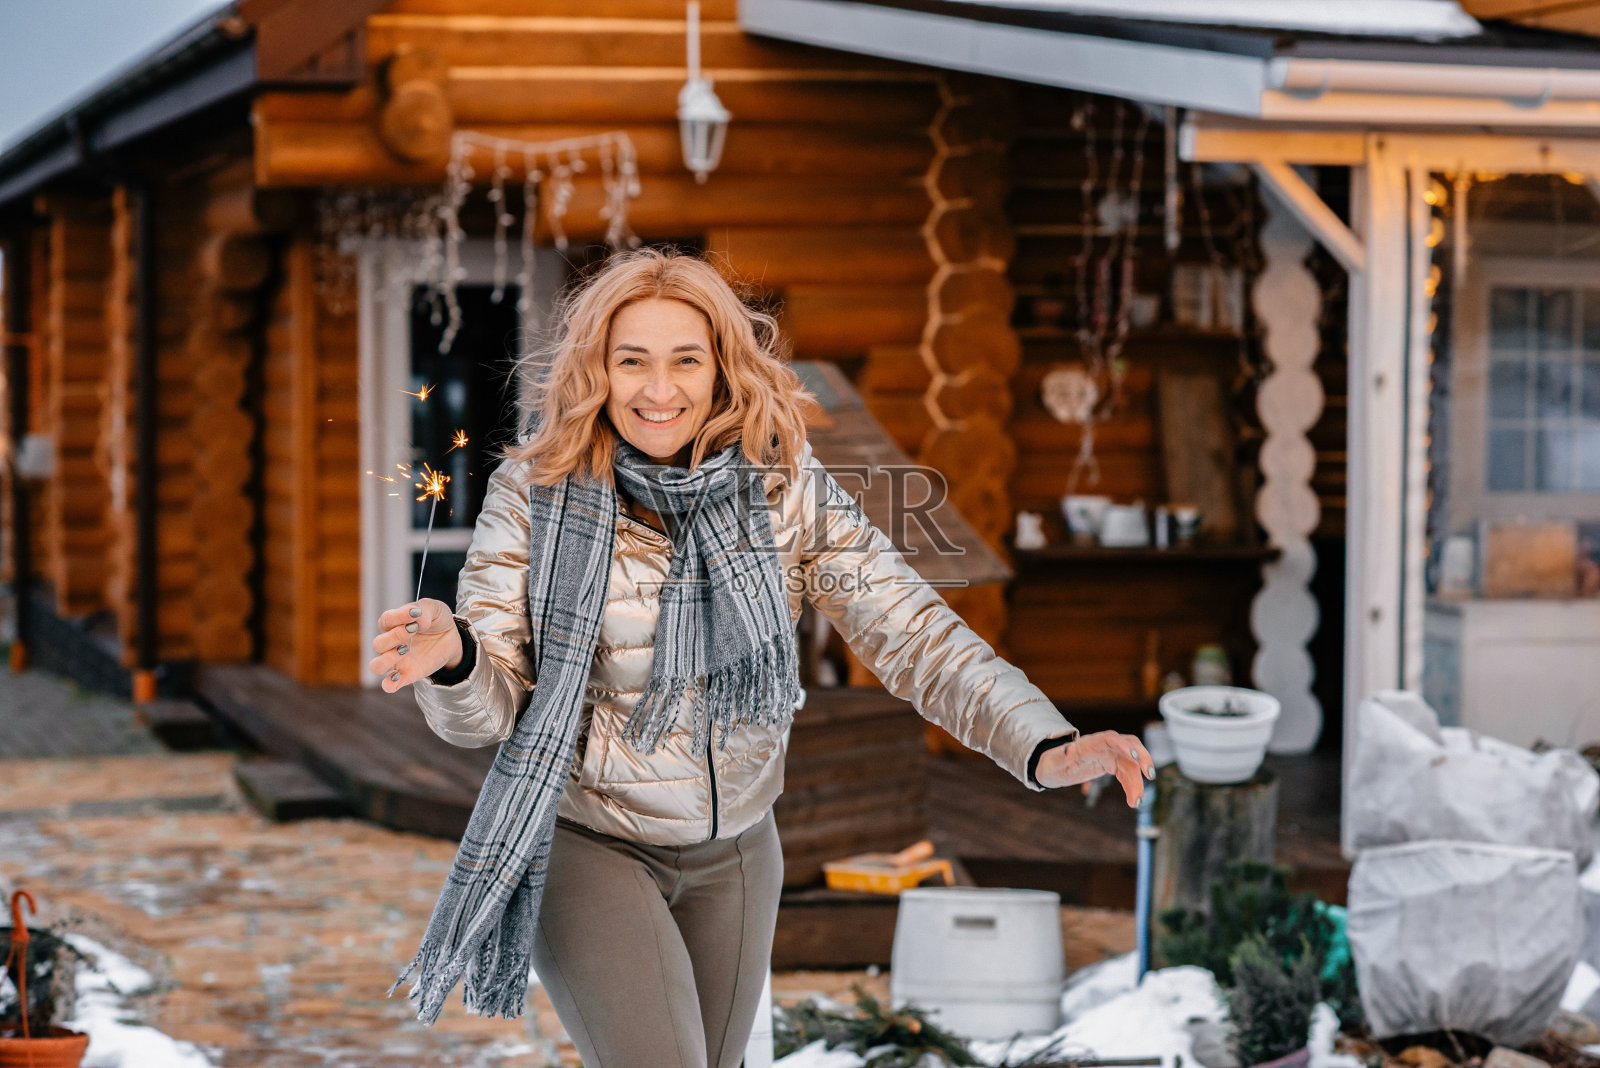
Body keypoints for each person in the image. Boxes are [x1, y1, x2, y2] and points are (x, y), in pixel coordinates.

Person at [368, 248, 1154, 1068]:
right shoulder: (535, 492)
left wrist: (1042, 740)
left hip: (739, 851)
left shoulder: (784, 486)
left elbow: (911, 630)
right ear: (596, 369)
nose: (658, 389)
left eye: (685, 360)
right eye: (631, 361)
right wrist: (457, 658)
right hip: (590, 842)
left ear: (721, 370)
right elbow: (488, 713)